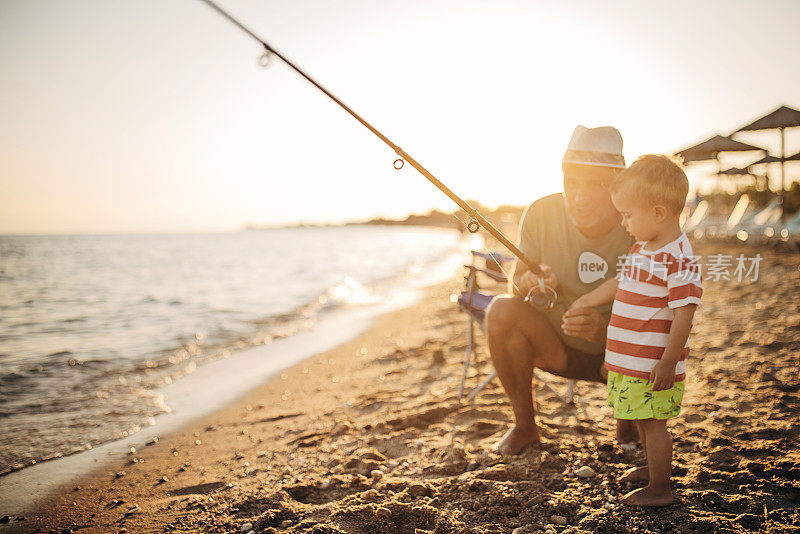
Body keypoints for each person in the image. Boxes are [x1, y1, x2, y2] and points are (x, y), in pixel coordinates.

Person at [485, 125, 635, 455]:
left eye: (595, 185)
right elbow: (516, 282)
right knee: (500, 310)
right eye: (572, 183)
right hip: (556, 347)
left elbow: (664, 309)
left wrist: (606, 332)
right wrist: (528, 284)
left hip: (621, 356)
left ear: (617, 185)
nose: (579, 198)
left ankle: (629, 423)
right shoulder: (540, 212)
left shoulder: (636, 222)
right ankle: (525, 427)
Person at [568, 154, 702, 507]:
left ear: (658, 213)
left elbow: (684, 314)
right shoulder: (643, 246)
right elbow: (618, 281)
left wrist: (669, 361)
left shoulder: (679, 258)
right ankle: (652, 468)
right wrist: (586, 301)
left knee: (654, 424)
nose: (623, 223)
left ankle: (661, 488)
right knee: (642, 421)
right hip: (631, 360)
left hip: (653, 363)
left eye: (628, 215)